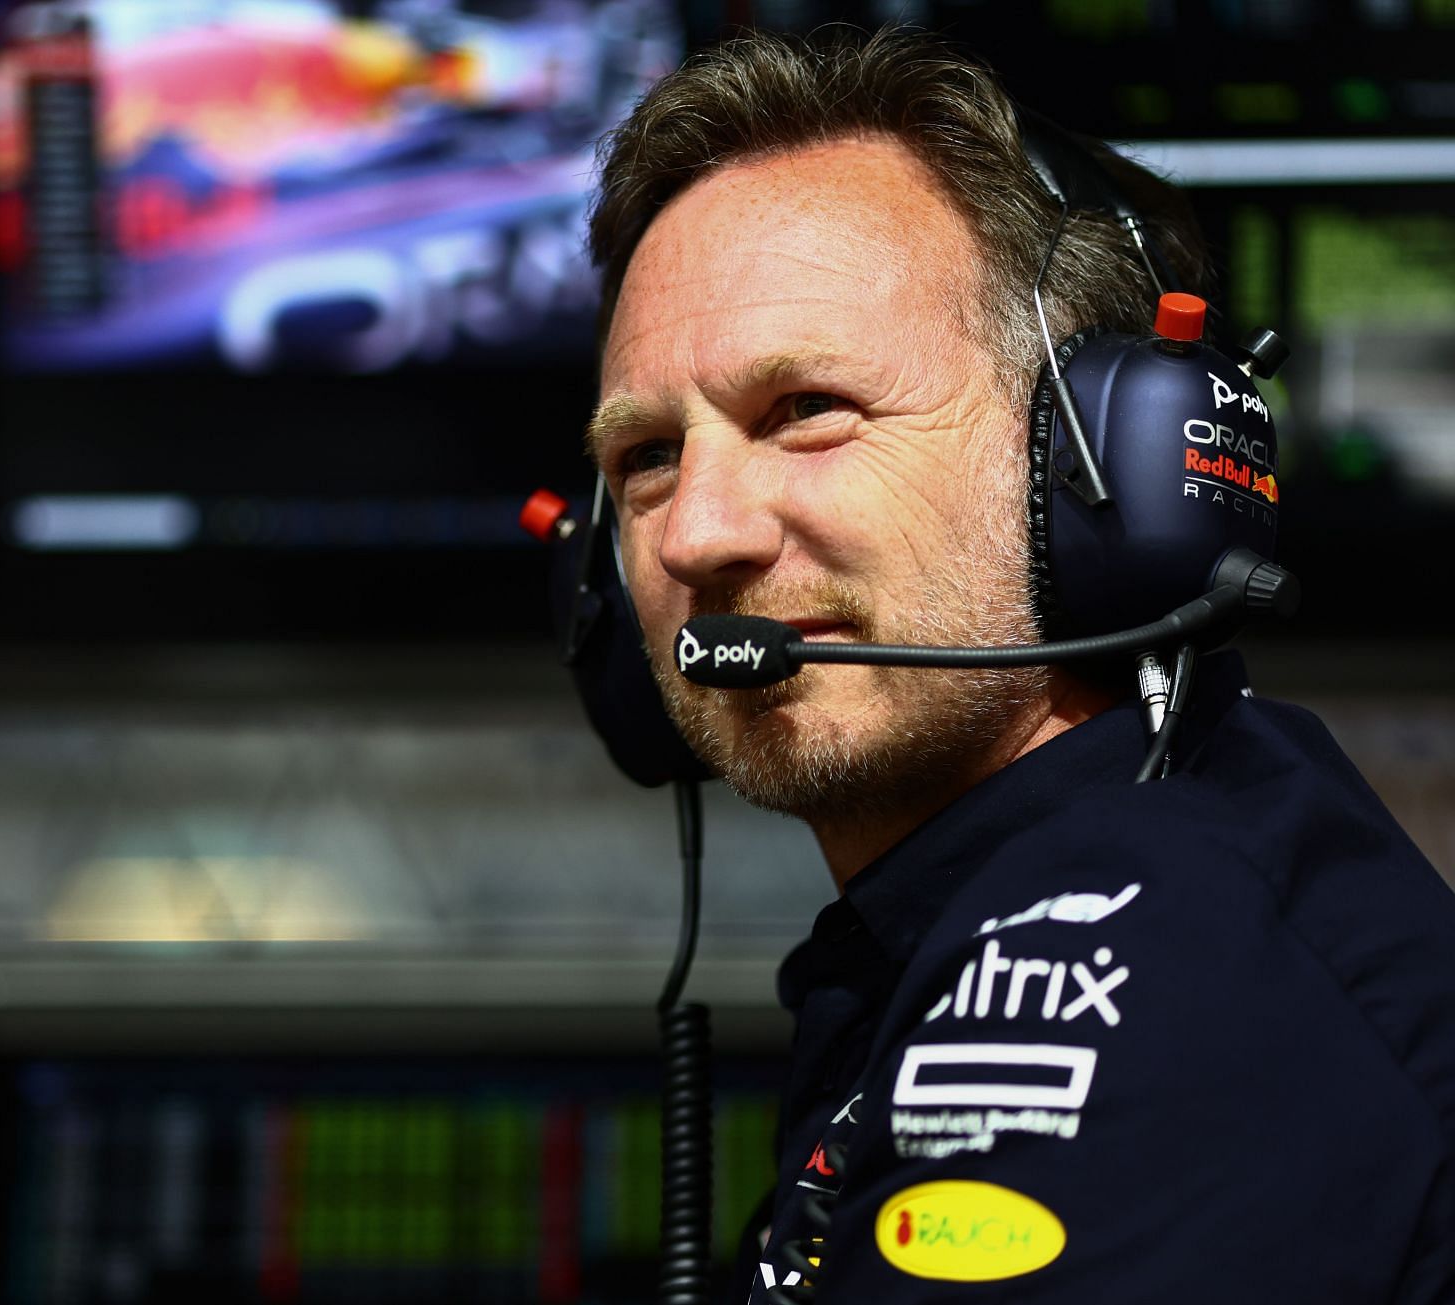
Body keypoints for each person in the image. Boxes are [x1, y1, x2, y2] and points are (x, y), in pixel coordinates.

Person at [583, 26, 1455, 1304]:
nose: (702, 532)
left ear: (1102, 469)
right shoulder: (1076, 903)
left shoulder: (1129, 973)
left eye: (808, 411)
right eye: (647, 456)